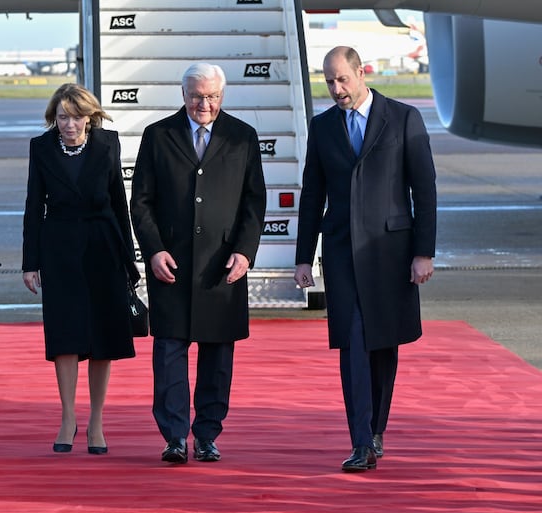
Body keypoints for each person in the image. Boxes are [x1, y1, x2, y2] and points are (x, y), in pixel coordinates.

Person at [293, 46, 437, 472]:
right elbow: (312, 196)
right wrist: (304, 257)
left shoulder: (403, 118)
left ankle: (376, 429)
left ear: (361, 73)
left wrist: (423, 253)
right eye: (329, 81)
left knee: (382, 344)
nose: (336, 89)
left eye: (342, 79)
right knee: (352, 342)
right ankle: (359, 441)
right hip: (341, 253)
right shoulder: (322, 128)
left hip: (391, 253)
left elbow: (424, 190)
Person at [130, 63, 266, 464]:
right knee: (169, 354)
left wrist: (244, 251)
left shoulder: (243, 137)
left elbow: (254, 202)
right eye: (196, 95)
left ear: (222, 96)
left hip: (221, 268)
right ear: (183, 92)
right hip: (171, 265)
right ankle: (174, 437)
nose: (203, 104)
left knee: (217, 357)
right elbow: (141, 201)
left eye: (211, 96)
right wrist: (153, 250)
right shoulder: (158, 136)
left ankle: (206, 435)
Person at [22, 83, 137, 455]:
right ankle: (68, 417)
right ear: (53, 118)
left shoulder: (108, 144)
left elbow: (120, 201)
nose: (68, 125)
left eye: (75, 117)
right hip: (59, 250)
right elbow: (32, 207)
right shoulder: (41, 148)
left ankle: (97, 422)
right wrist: (30, 262)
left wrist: (128, 259)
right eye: (61, 118)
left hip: (103, 246)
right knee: (65, 334)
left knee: (103, 337)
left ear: (89, 117)